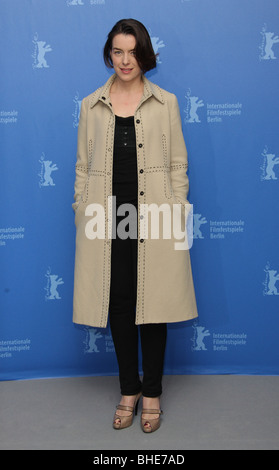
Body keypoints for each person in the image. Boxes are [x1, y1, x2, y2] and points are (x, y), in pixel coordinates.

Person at [72, 18, 198, 433]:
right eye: (118, 51)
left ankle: (154, 392)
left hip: (155, 216)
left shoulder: (166, 102)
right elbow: (82, 166)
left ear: (145, 54)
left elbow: (178, 164)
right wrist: (81, 206)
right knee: (120, 303)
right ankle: (129, 389)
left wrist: (177, 211)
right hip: (106, 218)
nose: (125, 60)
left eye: (133, 51)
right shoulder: (91, 105)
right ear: (109, 54)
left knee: (155, 305)